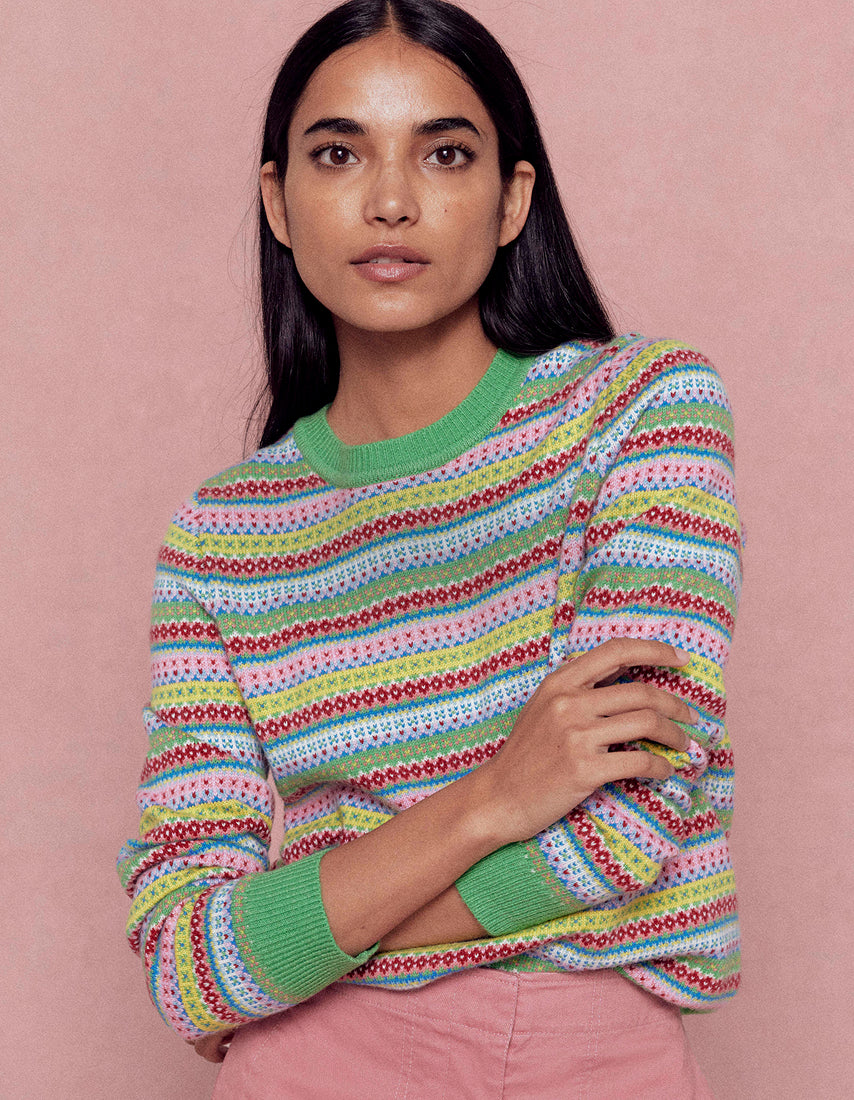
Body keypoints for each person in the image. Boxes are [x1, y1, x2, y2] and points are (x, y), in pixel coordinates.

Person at [117, 1, 742, 1095]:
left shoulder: (637, 411)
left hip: (588, 1059)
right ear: (278, 201)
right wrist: (491, 798)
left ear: (510, 200)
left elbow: (621, 833)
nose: (391, 200)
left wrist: (284, 943)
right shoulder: (219, 537)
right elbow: (182, 961)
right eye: (338, 152)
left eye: (444, 153)